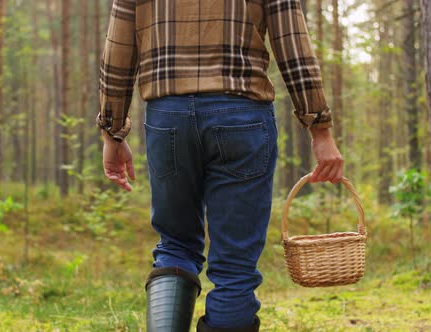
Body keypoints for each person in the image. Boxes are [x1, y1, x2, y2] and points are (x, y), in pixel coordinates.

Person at [96, 0, 344, 331]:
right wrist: (320, 128)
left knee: (175, 246)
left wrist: (112, 133)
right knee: (235, 265)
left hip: (168, 116)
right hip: (241, 114)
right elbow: (292, 41)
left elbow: (119, 45)